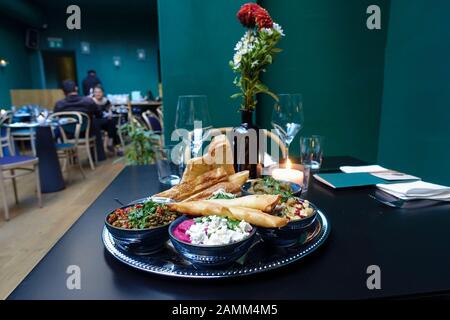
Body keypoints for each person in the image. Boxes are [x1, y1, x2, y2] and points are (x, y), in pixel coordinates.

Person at [54, 79, 106, 161]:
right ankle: (98, 157)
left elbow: (55, 117)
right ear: (76, 88)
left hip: (68, 134)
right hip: (86, 133)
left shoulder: (59, 104)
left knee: (60, 126)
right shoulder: (88, 101)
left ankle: (71, 157)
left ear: (63, 91)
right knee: (94, 122)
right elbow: (99, 114)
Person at [90, 85, 120, 153]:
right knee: (112, 124)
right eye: (96, 92)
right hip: (94, 123)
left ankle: (110, 143)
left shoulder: (106, 101)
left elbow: (109, 110)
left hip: (104, 121)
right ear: (93, 93)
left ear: (103, 93)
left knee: (112, 122)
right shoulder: (91, 101)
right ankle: (115, 145)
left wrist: (110, 113)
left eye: (99, 92)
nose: (97, 94)